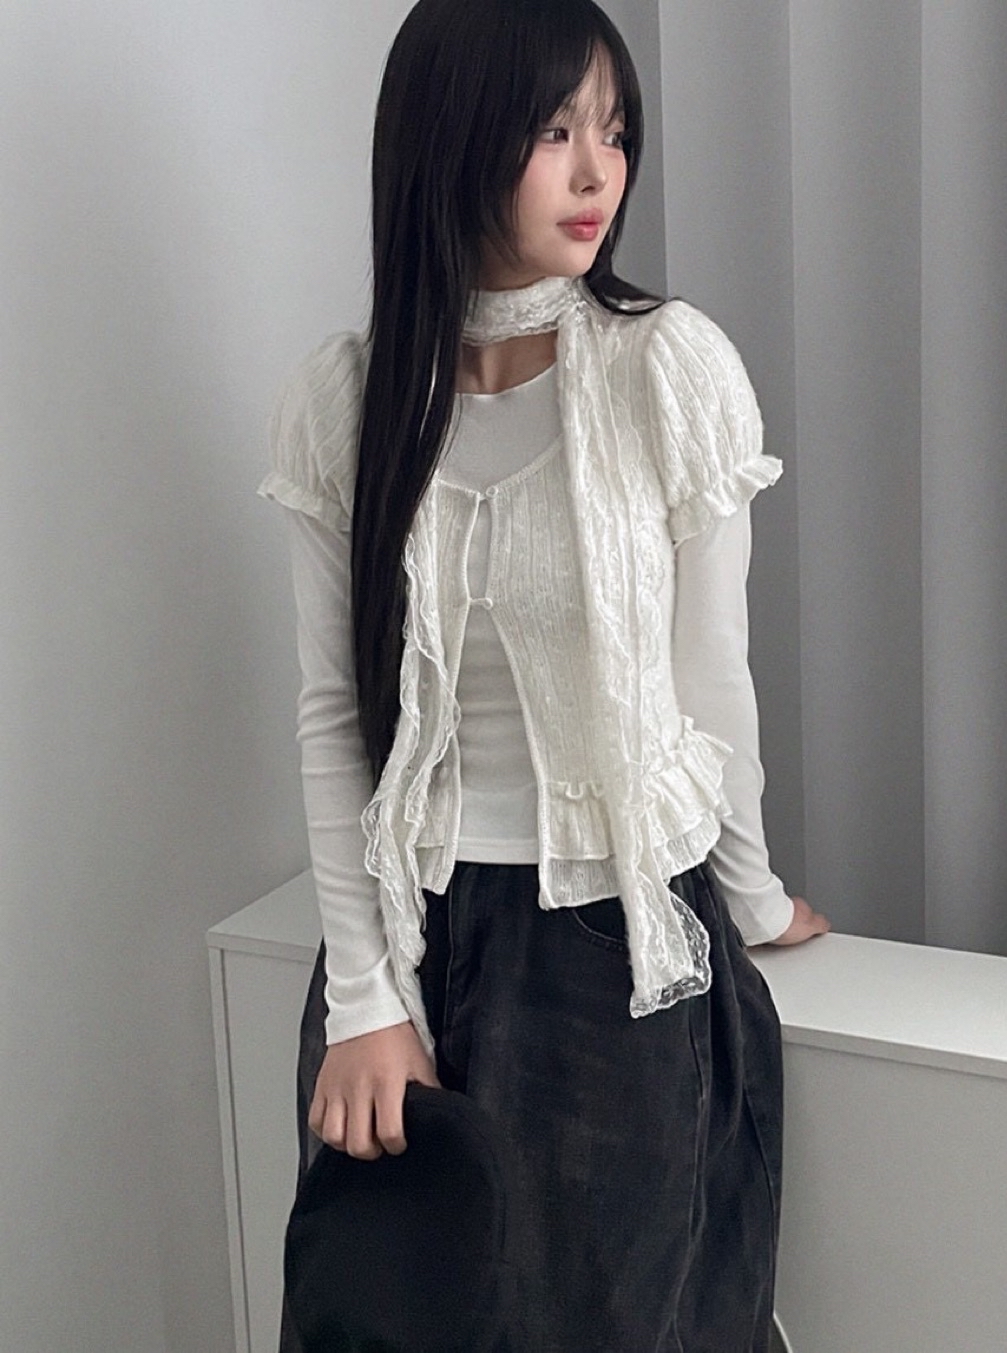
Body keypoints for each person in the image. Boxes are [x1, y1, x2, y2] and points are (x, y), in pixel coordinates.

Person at [258, 1, 830, 1349]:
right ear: (452, 138)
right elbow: (336, 712)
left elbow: (712, 684)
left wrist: (750, 895)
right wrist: (365, 997)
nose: (598, 172)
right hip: (409, 932)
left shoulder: (665, 368)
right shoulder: (347, 398)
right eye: (554, 130)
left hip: (614, 956)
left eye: (615, 132)